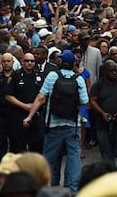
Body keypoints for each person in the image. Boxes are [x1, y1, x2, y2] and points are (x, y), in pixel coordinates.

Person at [22, 50, 89, 195]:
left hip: (53, 125)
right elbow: (84, 101)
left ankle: (46, 188)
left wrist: (29, 116)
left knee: (50, 157)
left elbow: (40, 97)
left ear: (60, 62)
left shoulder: (52, 76)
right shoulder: (79, 79)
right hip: (73, 125)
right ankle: (74, 189)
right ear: (73, 64)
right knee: (74, 158)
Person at [5, 52, 45, 153]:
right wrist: (25, 106)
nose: (29, 63)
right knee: (18, 145)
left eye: (32, 61)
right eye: (27, 61)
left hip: (36, 114)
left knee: (38, 142)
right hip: (18, 114)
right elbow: (8, 96)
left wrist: (34, 106)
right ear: (22, 62)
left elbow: (44, 96)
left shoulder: (39, 76)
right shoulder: (15, 75)